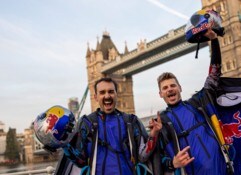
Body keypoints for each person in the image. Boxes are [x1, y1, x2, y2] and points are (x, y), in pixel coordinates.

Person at [156, 29, 229, 175]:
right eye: (165, 88)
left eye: (172, 85)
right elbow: (159, 159)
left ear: (180, 88)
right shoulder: (161, 122)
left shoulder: (197, 103)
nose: (169, 89)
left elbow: (214, 74)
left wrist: (214, 41)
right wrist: (172, 163)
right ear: (161, 94)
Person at [63, 77, 162, 175]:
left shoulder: (131, 121)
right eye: (102, 92)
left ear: (116, 94)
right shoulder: (86, 123)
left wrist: (154, 133)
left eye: (111, 91)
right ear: (96, 97)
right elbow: (80, 161)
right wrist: (63, 144)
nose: (107, 96)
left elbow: (142, 156)